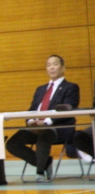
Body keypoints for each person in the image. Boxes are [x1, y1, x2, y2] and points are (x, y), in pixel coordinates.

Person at [6, 54, 79, 182]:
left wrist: (46, 122)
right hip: (37, 127)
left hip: (60, 127)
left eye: (55, 64)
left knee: (44, 135)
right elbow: (32, 109)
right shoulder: (40, 89)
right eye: (49, 65)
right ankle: (45, 163)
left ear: (63, 68)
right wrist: (31, 122)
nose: (52, 67)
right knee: (13, 143)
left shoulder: (71, 87)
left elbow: (67, 108)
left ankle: (40, 172)